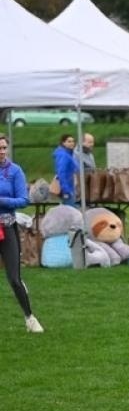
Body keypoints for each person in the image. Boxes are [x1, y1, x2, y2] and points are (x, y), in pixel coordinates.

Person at [0, 137, 43, 332]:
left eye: (3, 148)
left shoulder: (15, 171)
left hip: (7, 228)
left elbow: (23, 200)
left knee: (14, 278)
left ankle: (30, 317)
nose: (2, 152)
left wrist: (2, 201)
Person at [51, 134, 79, 206]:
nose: (72, 143)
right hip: (67, 188)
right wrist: (66, 190)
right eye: (69, 141)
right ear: (63, 143)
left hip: (70, 186)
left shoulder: (68, 154)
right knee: (71, 210)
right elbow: (61, 172)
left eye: (73, 141)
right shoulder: (64, 155)